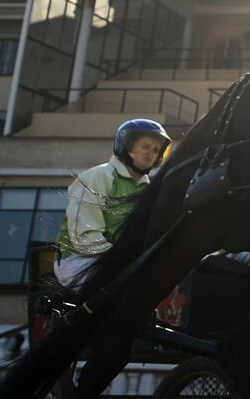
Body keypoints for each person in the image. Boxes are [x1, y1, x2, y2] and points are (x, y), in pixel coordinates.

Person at [54, 119, 170, 288]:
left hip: (122, 262)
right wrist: (126, 258)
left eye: (156, 149)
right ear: (126, 145)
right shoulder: (100, 176)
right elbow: (84, 238)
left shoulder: (149, 189)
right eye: (145, 146)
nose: (151, 153)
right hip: (80, 262)